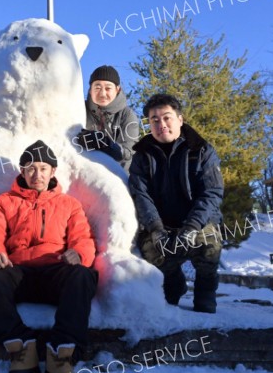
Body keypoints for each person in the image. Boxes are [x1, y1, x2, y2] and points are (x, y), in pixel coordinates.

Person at [0, 140, 98, 373]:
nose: (37, 174)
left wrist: (79, 254)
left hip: (56, 272)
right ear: (22, 171)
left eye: (43, 168)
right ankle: (21, 348)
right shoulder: (5, 202)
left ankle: (62, 352)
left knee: (82, 276)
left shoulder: (69, 204)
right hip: (17, 271)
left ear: (52, 172)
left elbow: (84, 238)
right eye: (30, 168)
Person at [128, 94, 224, 313]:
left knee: (210, 243)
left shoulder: (202, 150)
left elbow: (212, 193)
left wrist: (191, 227)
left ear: (180, 119)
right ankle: (173, 283)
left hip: (197, 224)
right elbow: (141, 195)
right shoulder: (142, 155)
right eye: (154, 120)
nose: (161, 124)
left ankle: (205, 290)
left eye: (167, 117)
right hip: (162, 226)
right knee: (151, 251)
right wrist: (155, 228)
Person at [75, 65, 139, 173]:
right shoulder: (80, 109)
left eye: (108, 88)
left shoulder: (126, 115)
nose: (103, 93)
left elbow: (128, 153)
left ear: (117, 90)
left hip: (117, 176)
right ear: (90, 90)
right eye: (98, 88)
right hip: (82, 175)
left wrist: (104, 143)